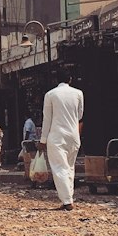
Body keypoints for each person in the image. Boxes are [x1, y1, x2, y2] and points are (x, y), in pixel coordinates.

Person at [39, 79, 84, 211]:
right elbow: (79, 115)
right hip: (73, 135)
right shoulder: (78, 93)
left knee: (59, 168)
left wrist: (43, 140)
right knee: (70, 167)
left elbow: (47, 119)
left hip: (57, 136)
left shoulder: (50, 95)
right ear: (70, 80)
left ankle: (67, 201)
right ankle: (68, 197)